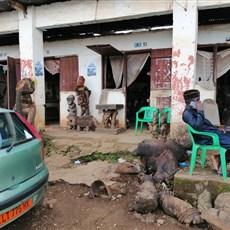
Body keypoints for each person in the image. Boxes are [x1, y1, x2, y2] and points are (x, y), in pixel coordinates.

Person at [182, 89, 230, 176]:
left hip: (214, 133)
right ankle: (220, 165)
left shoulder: (194, 110)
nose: (200, 102)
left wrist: (216, 128)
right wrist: (200, 111)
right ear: (192, 102)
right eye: (197, 100)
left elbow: (205, 123)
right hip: (207, 138)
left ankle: (218, 159)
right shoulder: (187, 114)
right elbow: (198, 126)